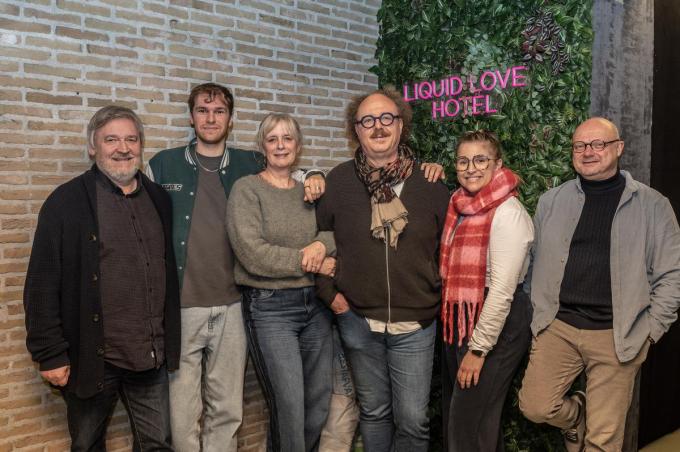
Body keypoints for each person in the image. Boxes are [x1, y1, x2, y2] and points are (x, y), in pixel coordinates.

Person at [146, 83, 325, 452]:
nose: (210, 118)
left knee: (227, 408)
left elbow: (289, 170)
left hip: (234, 305)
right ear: (191, 117)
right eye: (202, 110)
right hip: (181, 308)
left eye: (219, 112)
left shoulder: (250, 162)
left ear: (230, 119)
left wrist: (315, 174)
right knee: (182, 412)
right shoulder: (162, 164)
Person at [23, 105, 180, 451]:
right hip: (93, 358)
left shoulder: (159, 199)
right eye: (111, 140)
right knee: (87, 444)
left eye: (131, 139)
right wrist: (50, 353)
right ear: (92, 146)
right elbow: (41, 283)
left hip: (149, 356)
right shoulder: (66, 202)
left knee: (157, 444)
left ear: (141, 145)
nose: (123, 148)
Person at [519, 117, 680, 451]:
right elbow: (533, 263)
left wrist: (650, 330)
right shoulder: (551, 201)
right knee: (536, 407)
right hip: (558, 327)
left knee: (603, 440)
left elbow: (671, 275)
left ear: (618, 148)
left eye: (598, 144)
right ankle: (577, 415)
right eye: (579, 146)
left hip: (618, 334)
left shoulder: (653, 205)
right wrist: (539, 315)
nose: (588, 152)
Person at [315, 88, 450, 452]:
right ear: (356, 130)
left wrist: (435, 294)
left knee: (413, 420)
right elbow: (319, 237)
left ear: (401, 125)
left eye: (387, 118)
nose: (378, 126)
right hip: (358, 321)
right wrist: (332, 297)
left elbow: (448, 246)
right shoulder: (339, 181)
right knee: (374, 413)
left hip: (415, 325)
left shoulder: (429, 182)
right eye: (368, 120)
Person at [226, 112, 337, 452]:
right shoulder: (247, 189)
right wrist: (311, 262)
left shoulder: (311, 191)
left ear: (298, 145)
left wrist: (321, 246)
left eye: (287, 138)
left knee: (317, 403)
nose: (280, 145)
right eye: (272, 139)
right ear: (262, 146)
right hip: (270, 308)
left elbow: (334, 231)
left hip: (316, 306)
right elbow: (252, 254)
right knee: (289, 406)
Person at [439, 130, 533, 451]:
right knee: (474, 423)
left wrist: (478, 350)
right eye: (463, 161)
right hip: (464, 316)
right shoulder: (460, 206)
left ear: (498, 164)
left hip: (496, 323)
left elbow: (503, 291)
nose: (471, 168)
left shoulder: (508, 213)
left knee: (468, 425)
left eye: (481, 160)